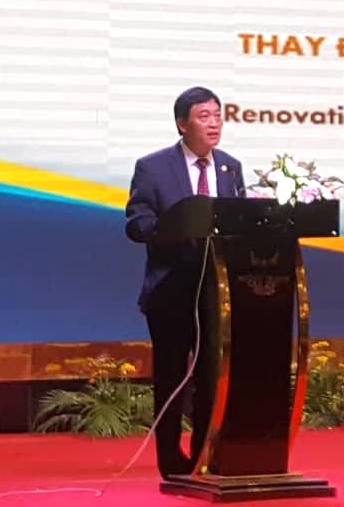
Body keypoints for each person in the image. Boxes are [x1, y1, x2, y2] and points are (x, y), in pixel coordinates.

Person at [124, 86, 245, 479]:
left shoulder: (230, 167)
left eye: (218, 115)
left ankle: (205, 455)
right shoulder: (153, 167)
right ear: (182, 124)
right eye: (203, 116)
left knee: (212, 376)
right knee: (172, 377)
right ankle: (170, 460)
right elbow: (137, 221)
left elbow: (239, 223)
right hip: (171, 291)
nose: (214, 123)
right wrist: (167, 229)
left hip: (217, 292)